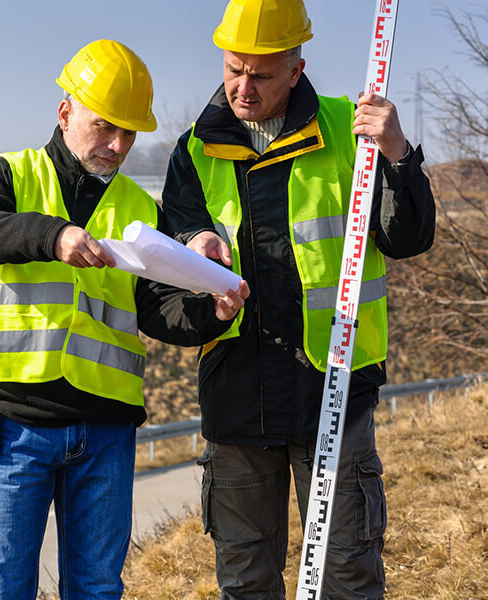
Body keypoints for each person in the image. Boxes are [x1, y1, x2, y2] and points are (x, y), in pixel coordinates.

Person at [0, 40, 246, 599]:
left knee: (96, 589)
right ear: (65, 112)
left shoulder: (139, 207)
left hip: (105, 430)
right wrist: (52, 236)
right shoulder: (12, 175)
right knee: (2, 591)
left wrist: (211, 312)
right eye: (106, 127)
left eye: (129, 133)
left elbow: (158, 310)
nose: (117, 145)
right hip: (15, 424)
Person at [160, 1, 436, 598]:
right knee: (245, 580)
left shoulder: (350, 130)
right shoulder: (193, 151)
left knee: (347, 575)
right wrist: (192, 244)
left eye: (260, 74)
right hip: (236, 399)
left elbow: (408, 238)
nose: (243, 86)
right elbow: (173, 261)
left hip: (333, 390)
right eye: (234, 69)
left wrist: (398, 156)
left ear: (296, 68)